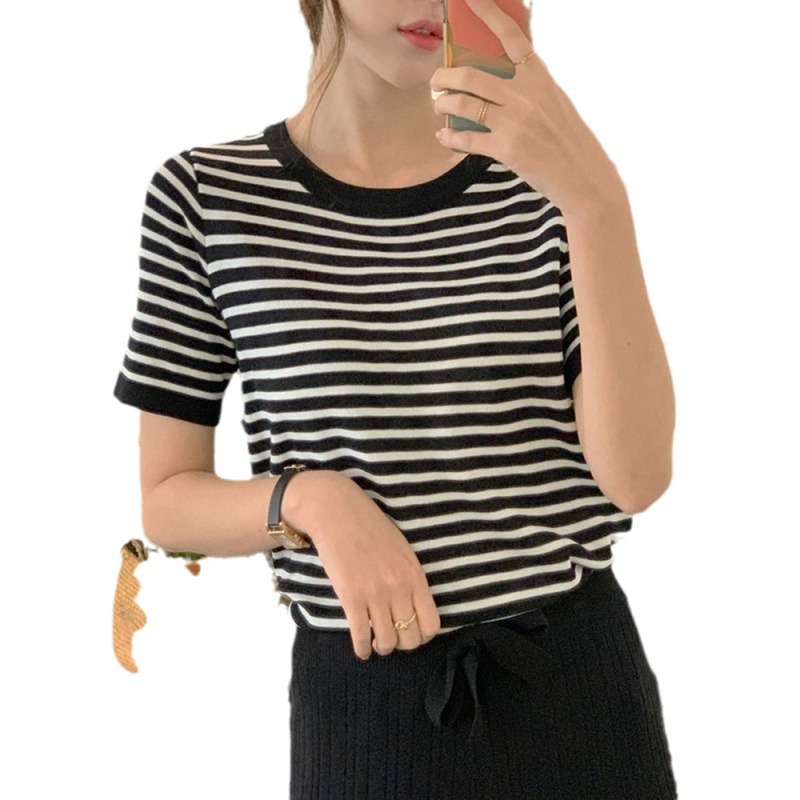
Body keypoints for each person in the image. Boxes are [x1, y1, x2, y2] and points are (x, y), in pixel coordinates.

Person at [112, 0, 679, 797]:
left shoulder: (549, 186)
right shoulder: (208, 197)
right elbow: (169, 502)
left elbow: (637, 478)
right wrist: (309, 500)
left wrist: (597, 204)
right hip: (362, 709)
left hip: (578, 695)